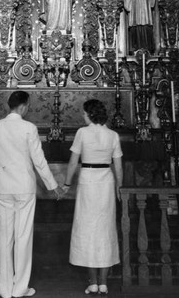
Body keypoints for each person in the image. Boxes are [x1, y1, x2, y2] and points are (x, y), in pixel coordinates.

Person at [0, 91, 62, 298]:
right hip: (24, 187)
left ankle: (5, 289)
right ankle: (20, 288)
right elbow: (39, 160)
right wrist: (53, 186)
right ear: (24, 106)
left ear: (9, 106)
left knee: (5, 237)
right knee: (23, 236)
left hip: (3, 187)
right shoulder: (29, 128)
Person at [62, 99, 123, 296]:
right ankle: (103, 283)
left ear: (89, 113)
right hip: (106, 181)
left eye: (84, 113)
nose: (82, 116)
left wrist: (66, 184)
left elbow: (73, 162)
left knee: (87, 228)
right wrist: (120, 189)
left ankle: (93, 282)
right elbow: (118, 166)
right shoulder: (113, 135)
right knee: (105, 229)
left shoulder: (82, 133)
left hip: (88, 180)